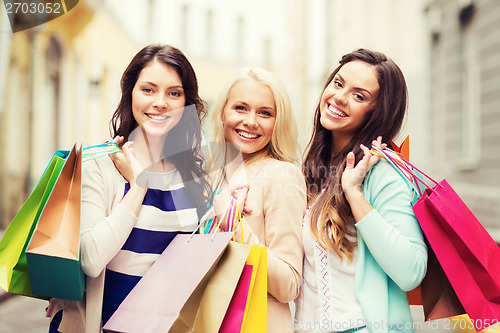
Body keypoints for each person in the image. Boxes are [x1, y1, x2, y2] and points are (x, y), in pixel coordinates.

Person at [46, 44, 212, 333]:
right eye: (148, 89)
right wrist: (139, 187)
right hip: (102, 321)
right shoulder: (99, 164)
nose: (160, 102)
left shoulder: (191, 174)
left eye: (174, 93)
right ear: (130, 93)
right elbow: (91, 259)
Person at [294, 49, 428, 333]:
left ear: (377, 113)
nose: (339, 97)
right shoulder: (315, 165)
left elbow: (411, 271)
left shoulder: (384, 173)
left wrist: (354, 193)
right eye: (338, 83)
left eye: (359, 96)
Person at [209, 67, 307, 332]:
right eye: (240, 108)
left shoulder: (282, 175)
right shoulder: (211, 177)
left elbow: (289, 285)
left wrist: (235, 226)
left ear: (278, 123)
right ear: (222, 114)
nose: (251, 121)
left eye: (265, 113)